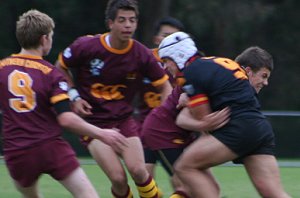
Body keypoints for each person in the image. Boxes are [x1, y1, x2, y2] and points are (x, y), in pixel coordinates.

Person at [0, 9, 128, 198]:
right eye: (51, 36)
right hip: (49, 147)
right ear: (44, 39)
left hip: (17, 152)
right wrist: (102, 133)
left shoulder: (2, 68)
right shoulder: (50, 73)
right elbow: (66, 119)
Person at [55, 0, 172, 197]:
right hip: (93, 123)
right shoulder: (86, 46)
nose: (128, 25)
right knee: (118, 178)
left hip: (123, 120)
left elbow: (165, 85)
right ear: (110, 23)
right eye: (122, 20)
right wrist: (74, 96)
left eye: (132, 20)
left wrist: (164, 114)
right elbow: (60, 68)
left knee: (138, 171)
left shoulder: (141, 54)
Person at [158, 32, 290, 197]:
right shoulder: (216, 65)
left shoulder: (192, 72)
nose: (165, 67)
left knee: (184, 167)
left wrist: (191, 103)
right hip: (260, 129)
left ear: (177, 55)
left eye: (166, 61)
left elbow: (202, 119)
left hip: (239, 128)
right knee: (274, 193)